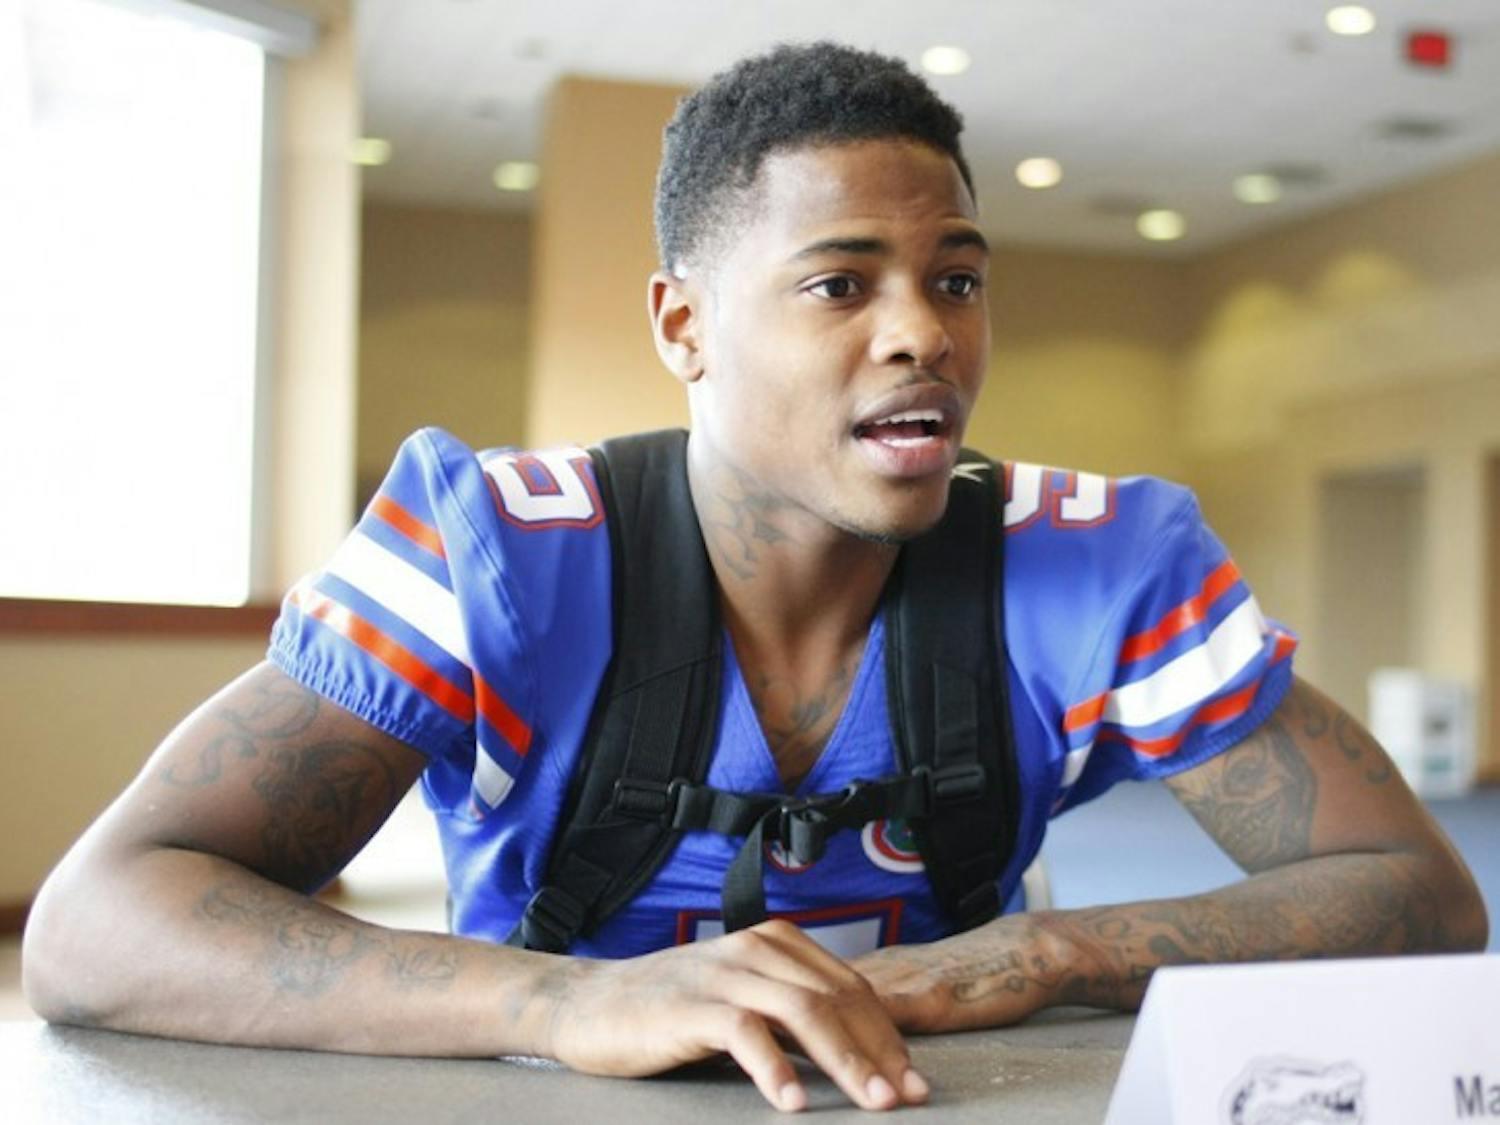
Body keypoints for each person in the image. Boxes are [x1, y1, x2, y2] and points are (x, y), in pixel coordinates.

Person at [23, 42, 1487, 1114]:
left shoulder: (1100, 556)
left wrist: (1032, 951)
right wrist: (574, 998)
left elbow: (1420, 892)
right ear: (684, 323)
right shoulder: (498, 549)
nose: (923, 333)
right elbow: (97, 924)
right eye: (841, 283)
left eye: (958, 278)